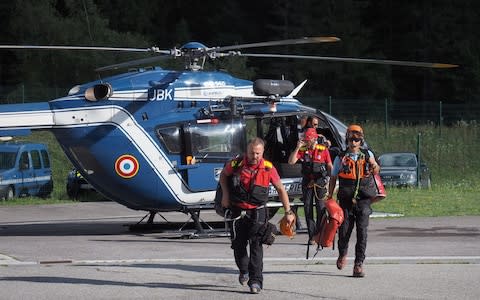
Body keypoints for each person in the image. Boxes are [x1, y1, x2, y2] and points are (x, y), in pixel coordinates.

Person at [220, 137, 295, 294]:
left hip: (258, 211)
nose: (254, 156)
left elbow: (281, 189)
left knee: (256, 246)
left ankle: (256, 281)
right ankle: (244, 270)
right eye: (252, 153)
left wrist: (288, 212)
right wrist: (225, 195)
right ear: (246, 152)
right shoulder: (236, 164)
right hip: (237, 210)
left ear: (262, 153)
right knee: (238, 245)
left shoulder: (268, 168)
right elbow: (223, 176)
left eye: (258, 154)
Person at [327, 124, 380, 277]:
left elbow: (376, 171)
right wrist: (330, 197)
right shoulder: (340, 157)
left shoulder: (367, 154)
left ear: (361, 140)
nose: (354, 143)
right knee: (344, 232)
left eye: (356, 140)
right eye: (351, 139)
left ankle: (358, 264)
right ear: (347, 140)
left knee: (362, 232)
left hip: (363, 199)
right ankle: (342, 254)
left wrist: (374, 164)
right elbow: (333, 177)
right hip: (345, 199)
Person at [288, 128, 332, 244]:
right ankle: (312, 236)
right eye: (305, 140)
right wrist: (298, 147)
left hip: (320, 182)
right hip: (307, 182)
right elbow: (291, 161)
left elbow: (329, 166)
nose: (306, 142)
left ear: (314, 139)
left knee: (320, 208)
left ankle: (320, 234)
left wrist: (329, 179)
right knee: (308, 209)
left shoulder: (323, 150)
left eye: (308, 140)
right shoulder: (303, 150)